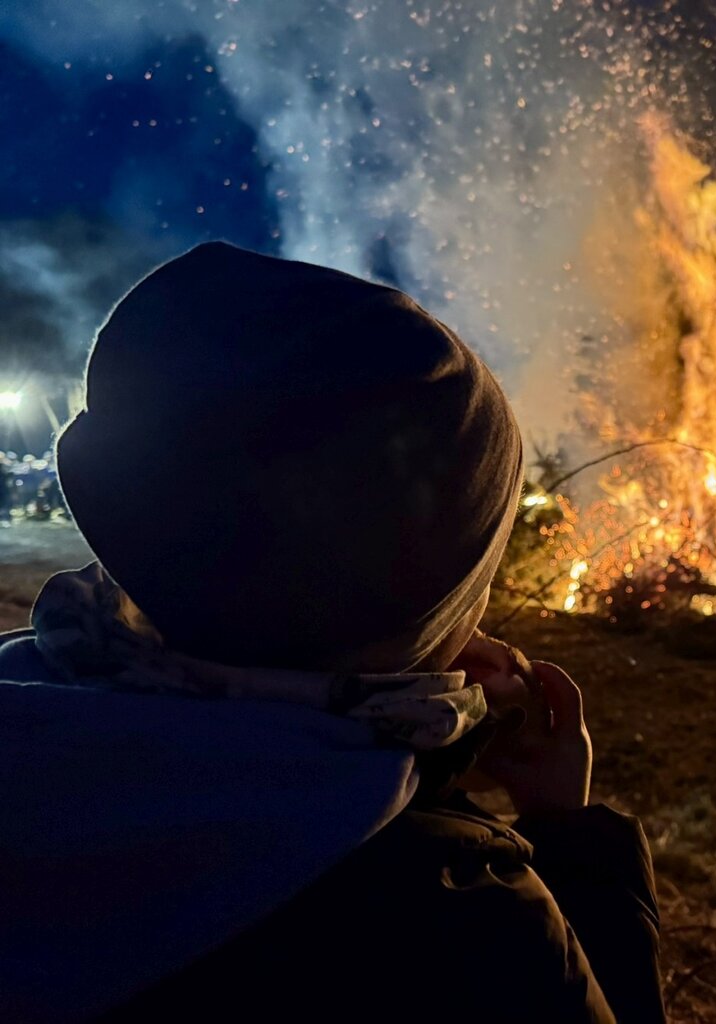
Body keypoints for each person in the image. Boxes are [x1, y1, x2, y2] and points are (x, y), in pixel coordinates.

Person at [0, 243, 664, 1023]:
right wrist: (567, 832)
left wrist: (415, 755)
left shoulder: (35, 709)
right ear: (421, 610)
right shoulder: (461, 923)